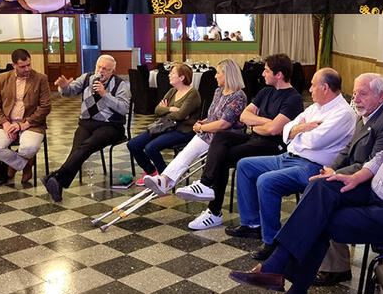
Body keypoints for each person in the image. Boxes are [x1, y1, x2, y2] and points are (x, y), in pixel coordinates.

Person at [227, 79, 383, 294]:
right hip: (373, 192)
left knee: (320, 221)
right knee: (322, 187)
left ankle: (287, 288)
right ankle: (281, 277)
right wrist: (355, 176)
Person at [228, 68, 356, 261]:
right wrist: (301, 129)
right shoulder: (316, 107)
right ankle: (251, 224)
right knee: (245, 165)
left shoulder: (343, 113)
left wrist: (295, 133)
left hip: (312, 166)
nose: (309, 89)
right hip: (289, 157)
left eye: (313, 85)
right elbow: (286, 131)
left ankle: (271, 241)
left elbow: (315, 141)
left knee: (266, 182)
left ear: (325, 87)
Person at [176, 54, 304, 231]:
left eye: (267, 71)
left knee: (222, 156)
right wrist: (267, 122)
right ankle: (206, 185)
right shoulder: (266, 91)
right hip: (256, 138)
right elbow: (244, 116)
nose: (263, 74)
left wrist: (259, 123)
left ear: (279, 74)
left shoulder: (293, 98)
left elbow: (274, 130)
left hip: (275, 146)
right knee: (221, 137)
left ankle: (214, 211)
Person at [309, 72, 383, 286]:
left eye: (362, 93)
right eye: (354, 93)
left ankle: (332, 266)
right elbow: (348, 149)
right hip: (355, 177)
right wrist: (332, 169)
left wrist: (337, 175)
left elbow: (374, 163)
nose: (356, 99)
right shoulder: (368, 113)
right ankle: (328, 263)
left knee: (324, 193)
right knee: (321, 187)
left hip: (372, 185)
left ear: (381, 96)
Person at [143, 59, 247, 196]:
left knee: (190, 152)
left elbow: (224, 123)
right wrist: (203, 123)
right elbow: (213, 116)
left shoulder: (238, 96)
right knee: (185, 153)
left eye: (218, 73)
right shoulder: (219, 91)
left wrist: (203, 128)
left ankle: (199, 186)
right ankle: (164, 180)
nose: (215, 76)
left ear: (227, 75)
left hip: (225, 137)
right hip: (210, 132)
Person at [43, 55, 130, 202]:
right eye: (99, 67)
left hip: (111, 126)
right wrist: (63, 86)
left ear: (112, 71)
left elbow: (123, 109)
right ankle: (57, 183)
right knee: (77, 150)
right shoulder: (86, 78)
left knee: (86, 147)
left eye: (105, 69)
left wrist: (105, 94)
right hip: (86, 123)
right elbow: (69, 92)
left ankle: (56, 176)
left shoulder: (119, 84)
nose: (101, 71)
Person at [127, 63, 201, 186]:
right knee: (133, 144)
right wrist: (171, 109)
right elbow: (157, 110)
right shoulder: (172, 91)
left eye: (172, 73)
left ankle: (164, 178)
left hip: (183, 130)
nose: (169, 75)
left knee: (151, 147)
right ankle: (151, 172)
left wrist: (166, 111)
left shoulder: (192, 94)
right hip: (164, 126)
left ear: (181, 78)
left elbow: (181, 116)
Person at [0, 49, 51, 185]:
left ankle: (13, 166)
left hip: (31, 124)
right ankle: (25, 165)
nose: (27, 69)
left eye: (29, 65)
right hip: (7, 123)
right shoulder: (2, 78)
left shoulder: (40, 78)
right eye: (23, 66)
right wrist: (5, 123)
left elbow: (45, 107)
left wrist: (24, 124)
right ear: (13, 65)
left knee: (29, 148)